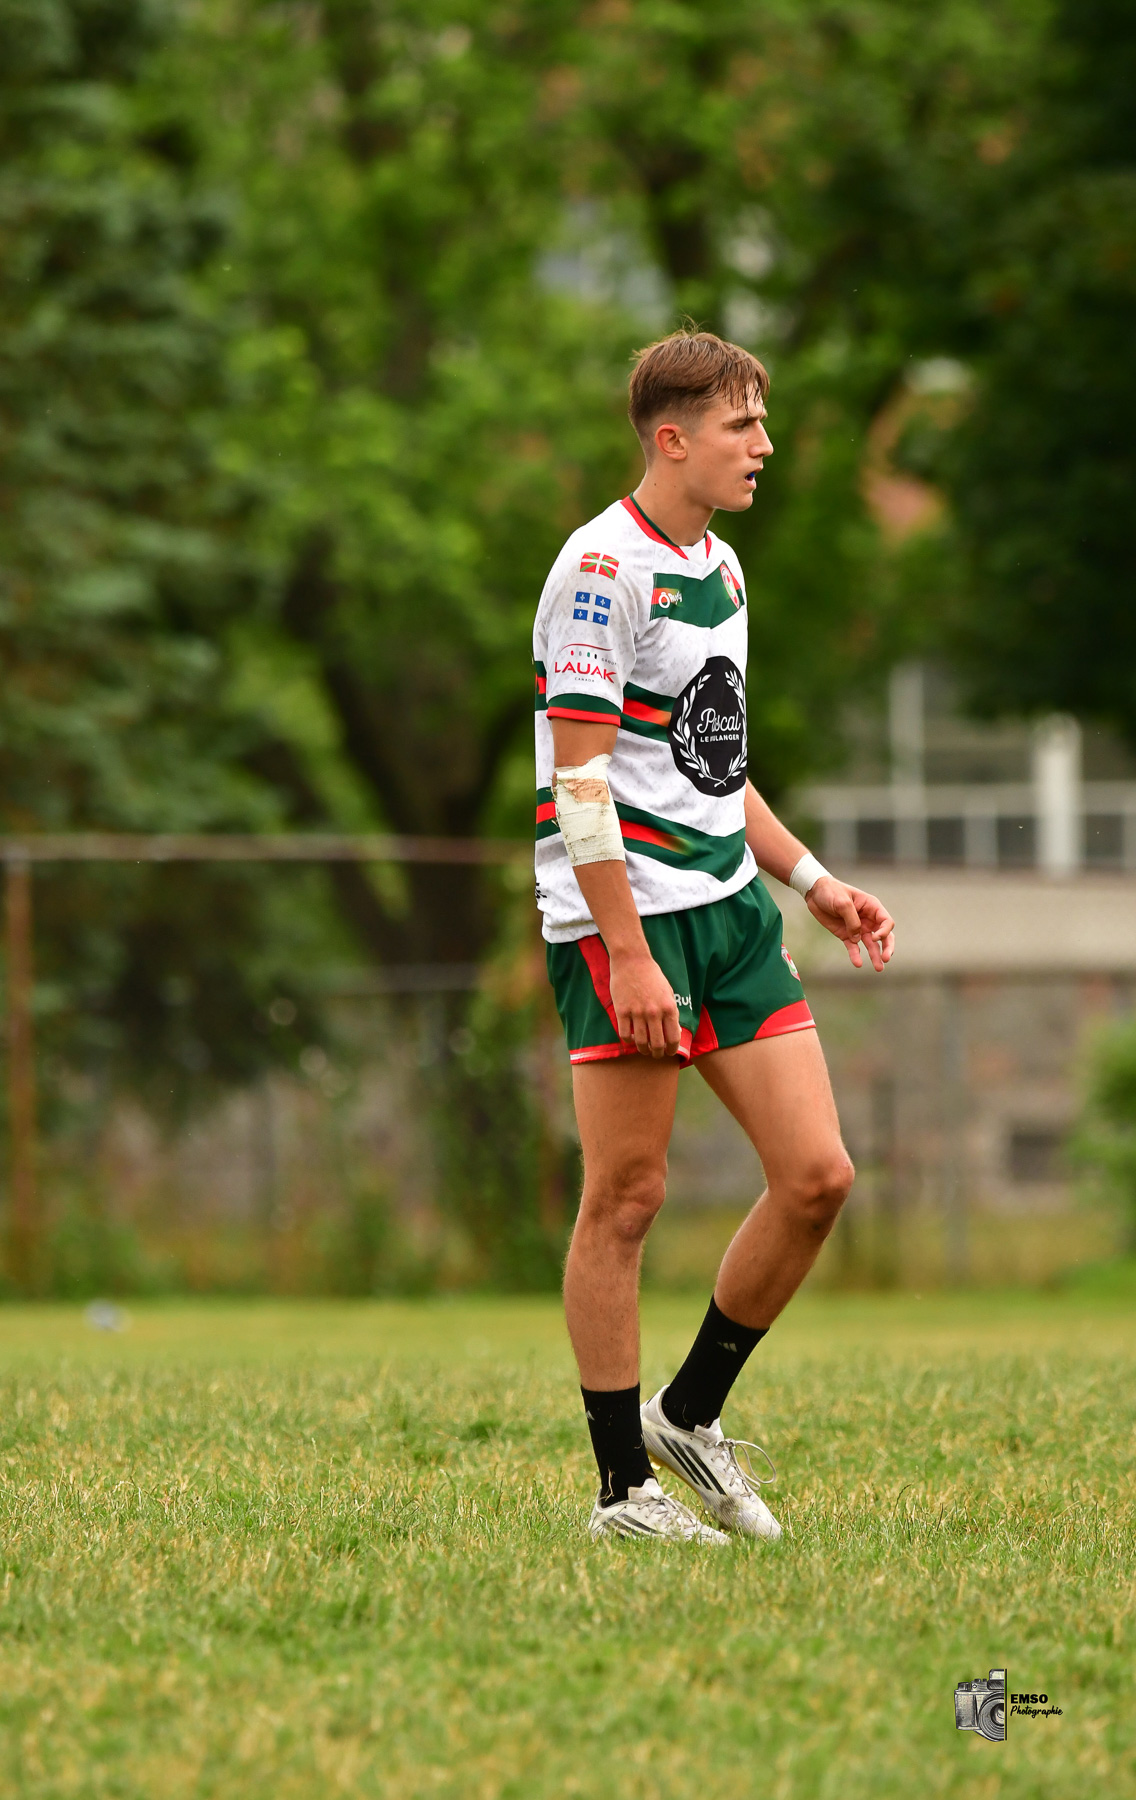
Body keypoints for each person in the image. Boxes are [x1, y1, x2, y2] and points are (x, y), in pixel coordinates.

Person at [533, 328, 895, 1544]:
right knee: (627, 1198)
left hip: (731, 913)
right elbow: (583, 783)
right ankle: (621, 1493)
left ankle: (689, 1416)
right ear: (671, 436)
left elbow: (711, 760)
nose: (766, 446)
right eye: (744, 425)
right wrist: (626, 950)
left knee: (817, 1176)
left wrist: (810, 879)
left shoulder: (725, 570)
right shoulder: (598, 570)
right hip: (621, 922)